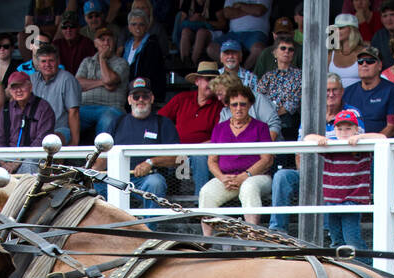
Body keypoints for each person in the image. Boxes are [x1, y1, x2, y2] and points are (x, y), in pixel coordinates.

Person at [269, 73, 348, 234]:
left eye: (335, 90)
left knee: (327, 180)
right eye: (327, 90)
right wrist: (305, 173)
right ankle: (277, 231)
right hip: (309, 171)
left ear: (342, 91)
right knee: (282, 176)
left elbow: (355, 142)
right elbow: (300, 150)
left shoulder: (351, 113)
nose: (331, 94)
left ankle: (327, 233)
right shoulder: (310, 116)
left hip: (338, 174)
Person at [95, 78, 179, 219]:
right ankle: (114, 229)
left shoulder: (163, 123)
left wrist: (151, 162)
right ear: (129, 100)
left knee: (155, 182)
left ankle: (148, 235)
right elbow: (104, 155)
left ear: (151, 99)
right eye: (136, 96)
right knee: (96, 181)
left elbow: (177, 158)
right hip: (117, 179)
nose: (140, 100)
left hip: (147, 179)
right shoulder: (117, 122)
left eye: (145, 96)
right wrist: (93, 171)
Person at [199, 84, 273, 234]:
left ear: (250, 105)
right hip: (227, 179)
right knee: (206, 192)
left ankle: (253, 240)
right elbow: (212, 161)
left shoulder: (261, 127)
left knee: (249, 187)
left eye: (243, 104)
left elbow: (267, 159)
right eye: (234, 104)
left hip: (256, 177)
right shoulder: (219, 128)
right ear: (228, 106)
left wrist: (245, 176)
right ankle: (206, 240)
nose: (238, 108)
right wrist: (222, 178)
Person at [159, 61, 226, 190]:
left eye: (215, 81)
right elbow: (160, 121)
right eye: (208, 79)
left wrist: (195, 149)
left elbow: (219, 138)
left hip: (203, 154)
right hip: (176, 152)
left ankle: (200, 203)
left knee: (198, 156)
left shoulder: (220, 106)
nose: (211, 84)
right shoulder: (182, 98)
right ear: (197, 81)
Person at [0, 71, 56, 172]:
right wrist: (4, 163)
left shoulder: (43, 108)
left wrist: (17, 162)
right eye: (14, 87)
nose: (18, 90)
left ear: (30, 87)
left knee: (29, 165)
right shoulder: (6, 109)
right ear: (9, 91)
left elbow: (41, 141)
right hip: (7, 157)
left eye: (22, 86)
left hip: (32, 156)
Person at [77, 29, 130, 140]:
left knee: (108, 119)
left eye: (109, 40)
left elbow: (109, 80)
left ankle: (101, 157)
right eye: (102, 40)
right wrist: (102, 82)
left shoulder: (122, 63)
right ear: (95, 43)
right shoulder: (87, 61)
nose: (106, 43)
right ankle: (66, 156)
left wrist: (102, 58)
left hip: (111, 107)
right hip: (85, 107)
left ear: (114, 42)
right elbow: (78, 84)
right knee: (67, 117)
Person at [341, 46, 394, 135]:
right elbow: (339, 124)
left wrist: (370, 144)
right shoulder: (347, 92)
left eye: (370, 61)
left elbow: (392, 128)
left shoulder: (392, 91)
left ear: (379, 66)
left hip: (379, 145)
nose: (364, 64)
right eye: (360, 62)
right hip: (352, 145)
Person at [31, 43, 82, 145]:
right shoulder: (32, 79)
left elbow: (74, 112)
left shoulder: (67, 79)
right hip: (36, 130)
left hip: (60, 129)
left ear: (58, 61)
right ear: (38, 64)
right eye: (43, 61)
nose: (47, 65)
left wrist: (74, 143)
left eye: (51, 61)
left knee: (51, 141)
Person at [257, 33, 303, 133]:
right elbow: (259, 97)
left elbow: (292, 104)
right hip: (265, 120)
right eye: (283, 48)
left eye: (290, 49)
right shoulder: (268, 76)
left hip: (287, 123)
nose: (287, 51)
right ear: (275, 53)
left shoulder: (300, 75)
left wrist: (272, 117)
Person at [212, 0, 271, 69]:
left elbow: (259, 11)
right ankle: (234, 71)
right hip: (233, 33)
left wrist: (240, 5)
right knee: (212, 48)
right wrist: (251, 10)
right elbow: (227, 13)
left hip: (256, 32)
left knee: (258, 49)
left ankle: (243, 73)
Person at [124, 9, 168, 100]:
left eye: (141, 24)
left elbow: (149, 74)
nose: (137, 27)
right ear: (129, 27)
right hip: (128, 89)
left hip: (144, 91)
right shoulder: (127, 44)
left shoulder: (152, 45)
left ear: (147, 27)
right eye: (134, 24)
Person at [178, 0, 222, 71]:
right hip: (194, 32)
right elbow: (181, 24)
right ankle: (185, 63)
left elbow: (222, 24)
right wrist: (191, 19)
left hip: (213, 32)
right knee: (185, 31)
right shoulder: (188, 2)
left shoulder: (214, 2)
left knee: (201, 32)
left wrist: (204, 21)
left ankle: (193, 64)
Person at [330, 14, 367, 87]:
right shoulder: (330, 54)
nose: (337, 31)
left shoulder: (365, 52)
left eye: (341, 28)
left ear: (352, 29)